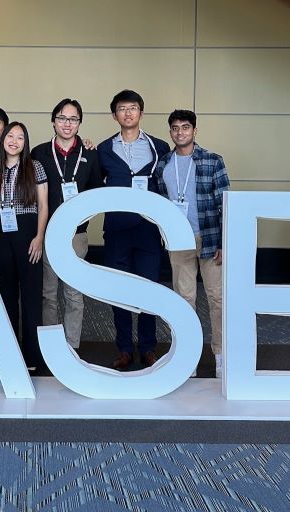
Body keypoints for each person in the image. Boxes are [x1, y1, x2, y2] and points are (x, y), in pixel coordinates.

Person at [97, 90, 170, 371]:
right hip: (116, 229)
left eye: (133, 108)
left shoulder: (160, 147)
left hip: (149, 229)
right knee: (120, 291)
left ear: (141, 112)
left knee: (150, 288)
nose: (127, 113)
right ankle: (125, 349)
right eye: (122, 109)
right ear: (114, 115)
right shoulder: (102, 149)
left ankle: (149, 347)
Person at [156, 109, 230, 378]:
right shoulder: (163, 164)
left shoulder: (212, 161)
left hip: (209, 238)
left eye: (185, 127)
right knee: (184, 300)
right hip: (179, 240)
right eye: (175, 128)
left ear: (194, 131)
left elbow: (225, 204)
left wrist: (224, 240)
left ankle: (221, 355)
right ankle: (189, 358)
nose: (180, 132)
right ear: (171, 132)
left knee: (216, 298)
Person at [31, 99, 102, 350]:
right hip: (48, 233)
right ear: (53, 121)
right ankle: (51, 346)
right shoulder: (38, 153)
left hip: (76, 236)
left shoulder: (91, 153)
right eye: (62, 118)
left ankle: (72, 345)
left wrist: (82, 222)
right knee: (48, 293)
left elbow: (95, 193)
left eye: (73, 119)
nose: (67, 124)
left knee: (73, 294)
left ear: (79, 123)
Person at [0, 122, 48, 373]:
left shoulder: (34, 167)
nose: (14, 141)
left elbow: (44, 206)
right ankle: (9, 353)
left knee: (32, 297)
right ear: (3, 140)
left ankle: (33, 355)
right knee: (6, 296)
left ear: (26, 143)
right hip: (1, 234)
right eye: (10, 136)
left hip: (28, 233)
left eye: (20, 137)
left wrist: (39, 237)